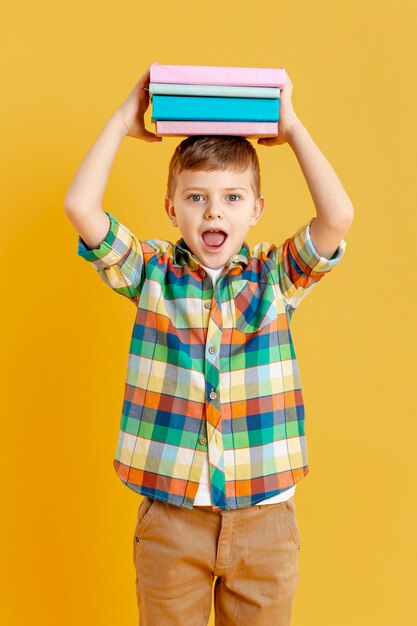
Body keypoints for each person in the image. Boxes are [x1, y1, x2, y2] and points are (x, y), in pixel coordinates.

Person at [64, 64, 354, 626]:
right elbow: (81, 208)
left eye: (231, 197)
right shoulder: (150, 273)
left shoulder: (274, 278)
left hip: (264, 521)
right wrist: (124, 121)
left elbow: (338, 216)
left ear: (255, 210)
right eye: (196, 197)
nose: (214, 210)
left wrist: (291, 128)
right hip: (173, 520)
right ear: (172, 209)